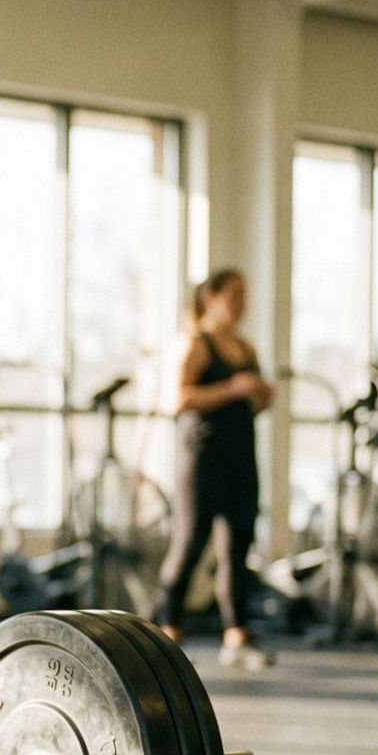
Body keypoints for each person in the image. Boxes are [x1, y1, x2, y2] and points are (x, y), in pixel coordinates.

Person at [156, 268, 276, 669]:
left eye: (244, 295)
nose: (241, 304)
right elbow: (178, 399)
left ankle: (237, 636)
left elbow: (253, 405)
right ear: (211, 298)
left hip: (240, 457)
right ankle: (167, 632)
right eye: (233, 295)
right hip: (202, 459)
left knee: (238, 546)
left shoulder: (245, 347)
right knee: (190, 541)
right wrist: (233, 389)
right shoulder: (195, 343)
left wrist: (260, 395)